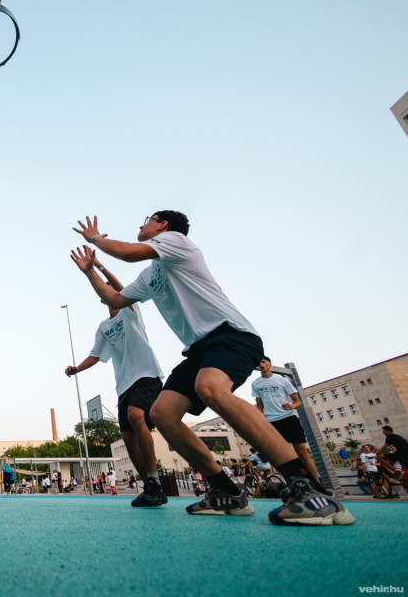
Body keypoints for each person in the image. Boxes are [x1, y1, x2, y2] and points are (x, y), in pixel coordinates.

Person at [73, 212, 353, 525]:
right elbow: (114, 298)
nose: (141, 224)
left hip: (231, 334)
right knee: (162, 413)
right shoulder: (150, 275)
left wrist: (94, 239)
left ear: (163, 225)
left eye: (147, 219)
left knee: (210, 387)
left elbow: (127, 253)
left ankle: (307, 489)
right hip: (198, 350)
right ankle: (227, 491)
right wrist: (90, 272)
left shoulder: (177, 242)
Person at [66, 251, 167, 507]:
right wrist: (76, 369)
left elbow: (121, 289)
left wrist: (99, 266)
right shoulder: (104, 327)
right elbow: (95, 355)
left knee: (136, 415)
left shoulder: (130, 310)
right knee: (127, 435)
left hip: (146, 374)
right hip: (124, 385)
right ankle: (150, 485)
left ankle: (155, 478)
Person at [251, 356, 325, 491]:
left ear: (270, 364)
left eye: (263, 362)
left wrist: (292, 406)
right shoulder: (255, 383)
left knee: (301, 451)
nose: (261, 364)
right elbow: (259, 405)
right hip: (271, 422)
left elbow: (298, 401)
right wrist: (257, 420)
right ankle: (292, 484)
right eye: (259, 362)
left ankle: (317, 483)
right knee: (281, 455)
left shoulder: (282, 380)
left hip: (288, 418)